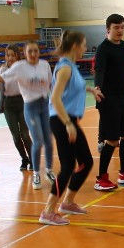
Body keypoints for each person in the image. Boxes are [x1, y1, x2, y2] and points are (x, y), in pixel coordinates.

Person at [37, 31, 103, 225]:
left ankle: (67, 203)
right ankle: (48, 211)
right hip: (61, 120)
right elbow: (55, 98)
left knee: (86, 163)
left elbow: (71, 88)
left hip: (68, 120)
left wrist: (90, 89)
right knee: (68, 166)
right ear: (75, 45)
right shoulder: (65, 68)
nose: (85, 48)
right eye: (83, 45)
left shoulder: (71, 66)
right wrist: (68, 124)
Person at [0, 42, 55, 189]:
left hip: (44, 105)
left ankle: (49, 170)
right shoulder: (19, 67)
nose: (33, 54)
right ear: (24, 53)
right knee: (35, 140)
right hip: (28, 106)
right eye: (30, 51)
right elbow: (0, 79)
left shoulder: (45, 65)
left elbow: (51, 85)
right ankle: (35, 172)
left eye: (36, 51)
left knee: (48, 140)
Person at [93, 13, 124, 191]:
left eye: (122, 27)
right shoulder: (103, 48)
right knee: (112, 140)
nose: (120, 30)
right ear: (108, 29)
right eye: (116, 27)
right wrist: (98, 89)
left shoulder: (123, 46)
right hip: (108, 98)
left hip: (123, 96)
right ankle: (101, 178)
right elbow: (99, 71)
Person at [0, 45, 32, 171]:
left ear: (17, 55)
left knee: (25, 135)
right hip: (8, 104)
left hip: (22, 102)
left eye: (12, 55)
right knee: (16, 136)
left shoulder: (23, 67)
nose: (10, 58)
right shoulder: (3, 69)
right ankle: (24, 158)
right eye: (8, 55)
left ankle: (32, 159)